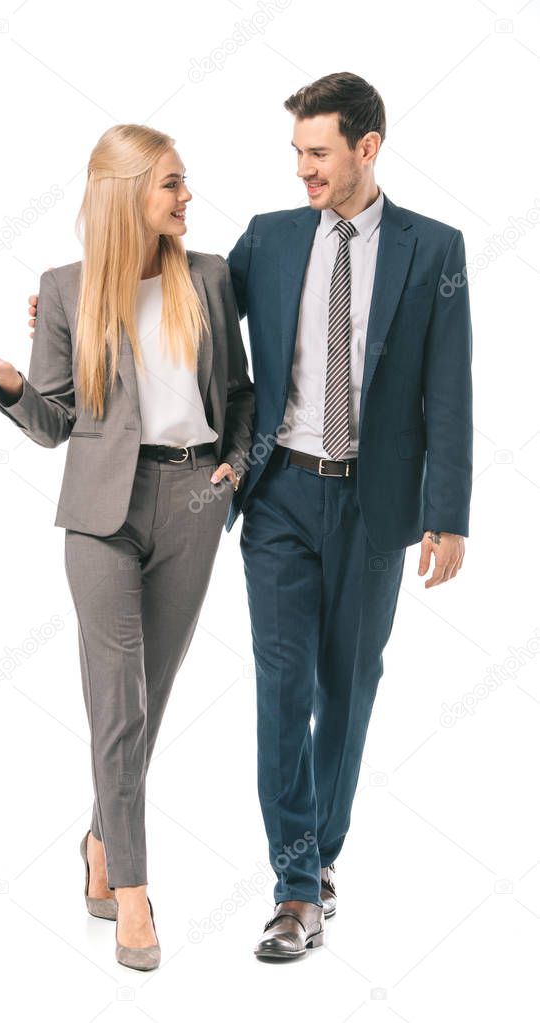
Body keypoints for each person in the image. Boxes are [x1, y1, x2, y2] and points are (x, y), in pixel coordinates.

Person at [0, 123, 254, 971]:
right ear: (127, 197)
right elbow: (53, 425)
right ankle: (134, 894)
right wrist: (10, 380)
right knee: (118, 704)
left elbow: (240, 392)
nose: (188, 198)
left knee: (148, 701)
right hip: (99, 517)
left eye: (184, 184)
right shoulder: (67, 290)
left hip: (194, 502)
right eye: (172, 186)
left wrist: (232, 466)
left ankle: (97, 840)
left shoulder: (212, 277)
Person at [225, 72, 473, 959]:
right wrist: (69, 307)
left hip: (375, 502)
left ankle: (318, 854)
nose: (303, 171)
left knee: (348, 685)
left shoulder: (431, 249)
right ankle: (296, 886)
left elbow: (447, 389)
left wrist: (447, 514)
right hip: (281, 493)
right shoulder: (268, 238)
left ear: (366, 148)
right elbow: (193, 317)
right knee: (281, 685)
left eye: (317, 153)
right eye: (295, 153)